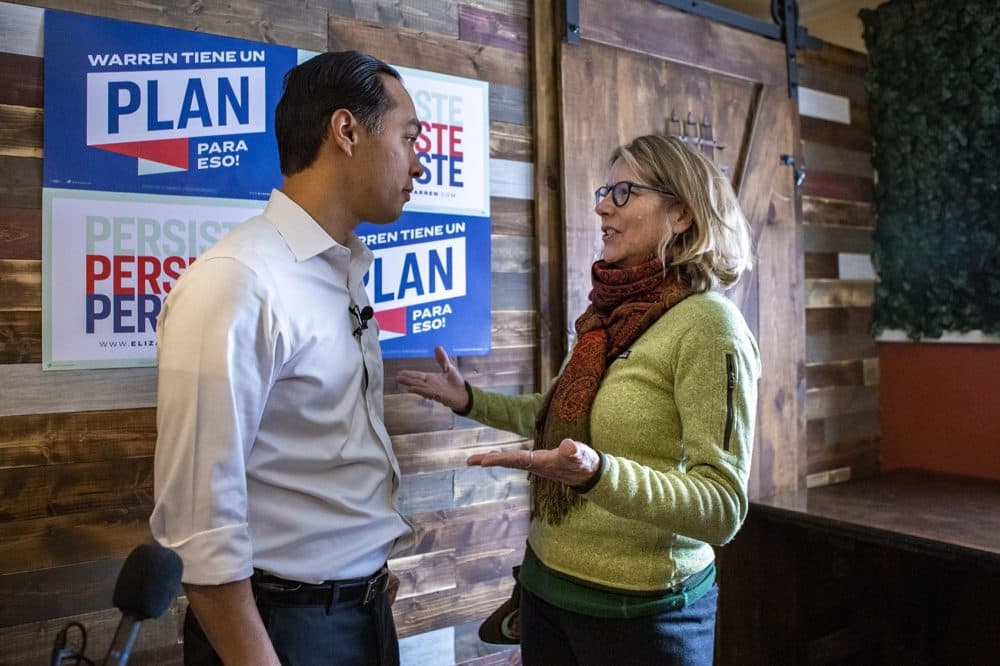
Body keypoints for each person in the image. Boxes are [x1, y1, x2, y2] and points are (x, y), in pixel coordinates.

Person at [397, 134, 760, 665]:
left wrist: (597, 475)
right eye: (603, 191)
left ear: (681, 213)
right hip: (547, 591)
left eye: (622, 193)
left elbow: (721, 505)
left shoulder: (710, 327)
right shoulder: (607, 316)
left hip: (641, 617)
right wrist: (470, 399)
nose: (599, 206)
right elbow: (562, 415)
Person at [150, 51, 424, 665]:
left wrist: (362, 581)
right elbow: (200, 527)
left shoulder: (344, 268)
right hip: (282, 633)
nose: (420, 162)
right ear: (346, 131)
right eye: (408, 138)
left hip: (362, 614)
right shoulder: (239, 281)